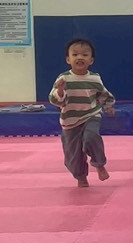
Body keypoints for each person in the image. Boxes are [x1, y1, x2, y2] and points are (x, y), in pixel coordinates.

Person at [49, 37, 116, 186]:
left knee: (91, 137)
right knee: (73, 155)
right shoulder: (64, 78)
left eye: (85, 55)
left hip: (90, 114)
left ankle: (99, 164)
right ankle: (81, 177)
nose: (80, 57)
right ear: (68, 59)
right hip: (70, 121)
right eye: (75, 54)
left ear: (91, 60)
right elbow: (54, 100)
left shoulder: (94, 78)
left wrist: (108, 105)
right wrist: (60, 91)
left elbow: (104, 94)